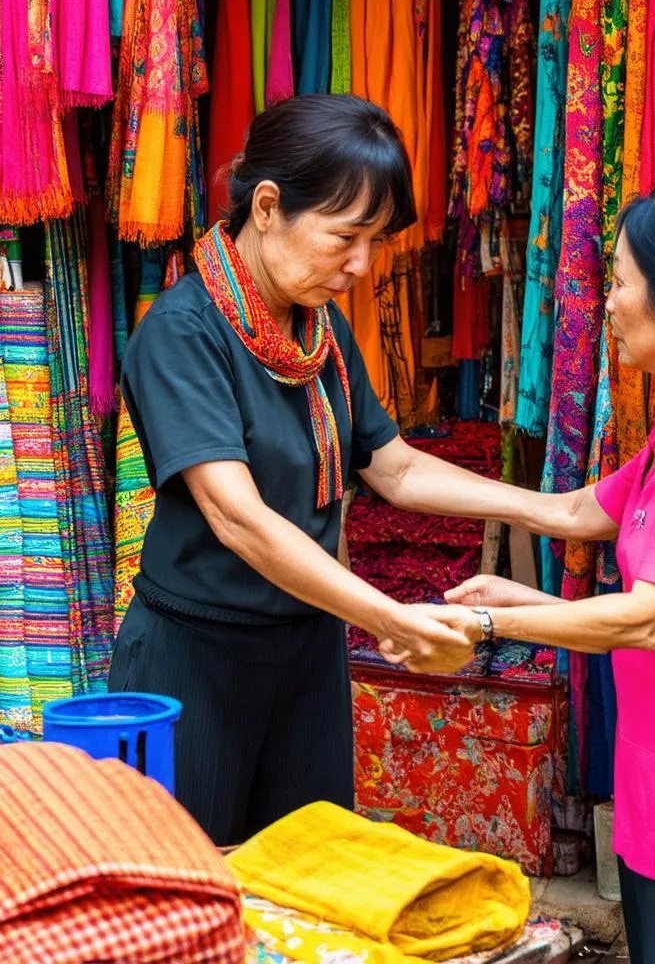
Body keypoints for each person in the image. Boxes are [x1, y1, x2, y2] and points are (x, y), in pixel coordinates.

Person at [390, 176, 655, 963]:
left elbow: (646, 619)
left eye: (619, 283)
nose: (608, 303)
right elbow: (580, 512)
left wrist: (492, 623)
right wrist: (406, 475)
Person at [109, 94, 482, 847]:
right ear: (270, 206)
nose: (361, 265)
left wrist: (560, 509)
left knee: (310, 884)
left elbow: (394, 467)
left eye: (373, 241)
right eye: (345, 237)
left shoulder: (318, 326)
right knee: (195, 892)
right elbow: (239, 519)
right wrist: (386, 617)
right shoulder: (182, 332)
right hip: (196, 662)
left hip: (307, 651)